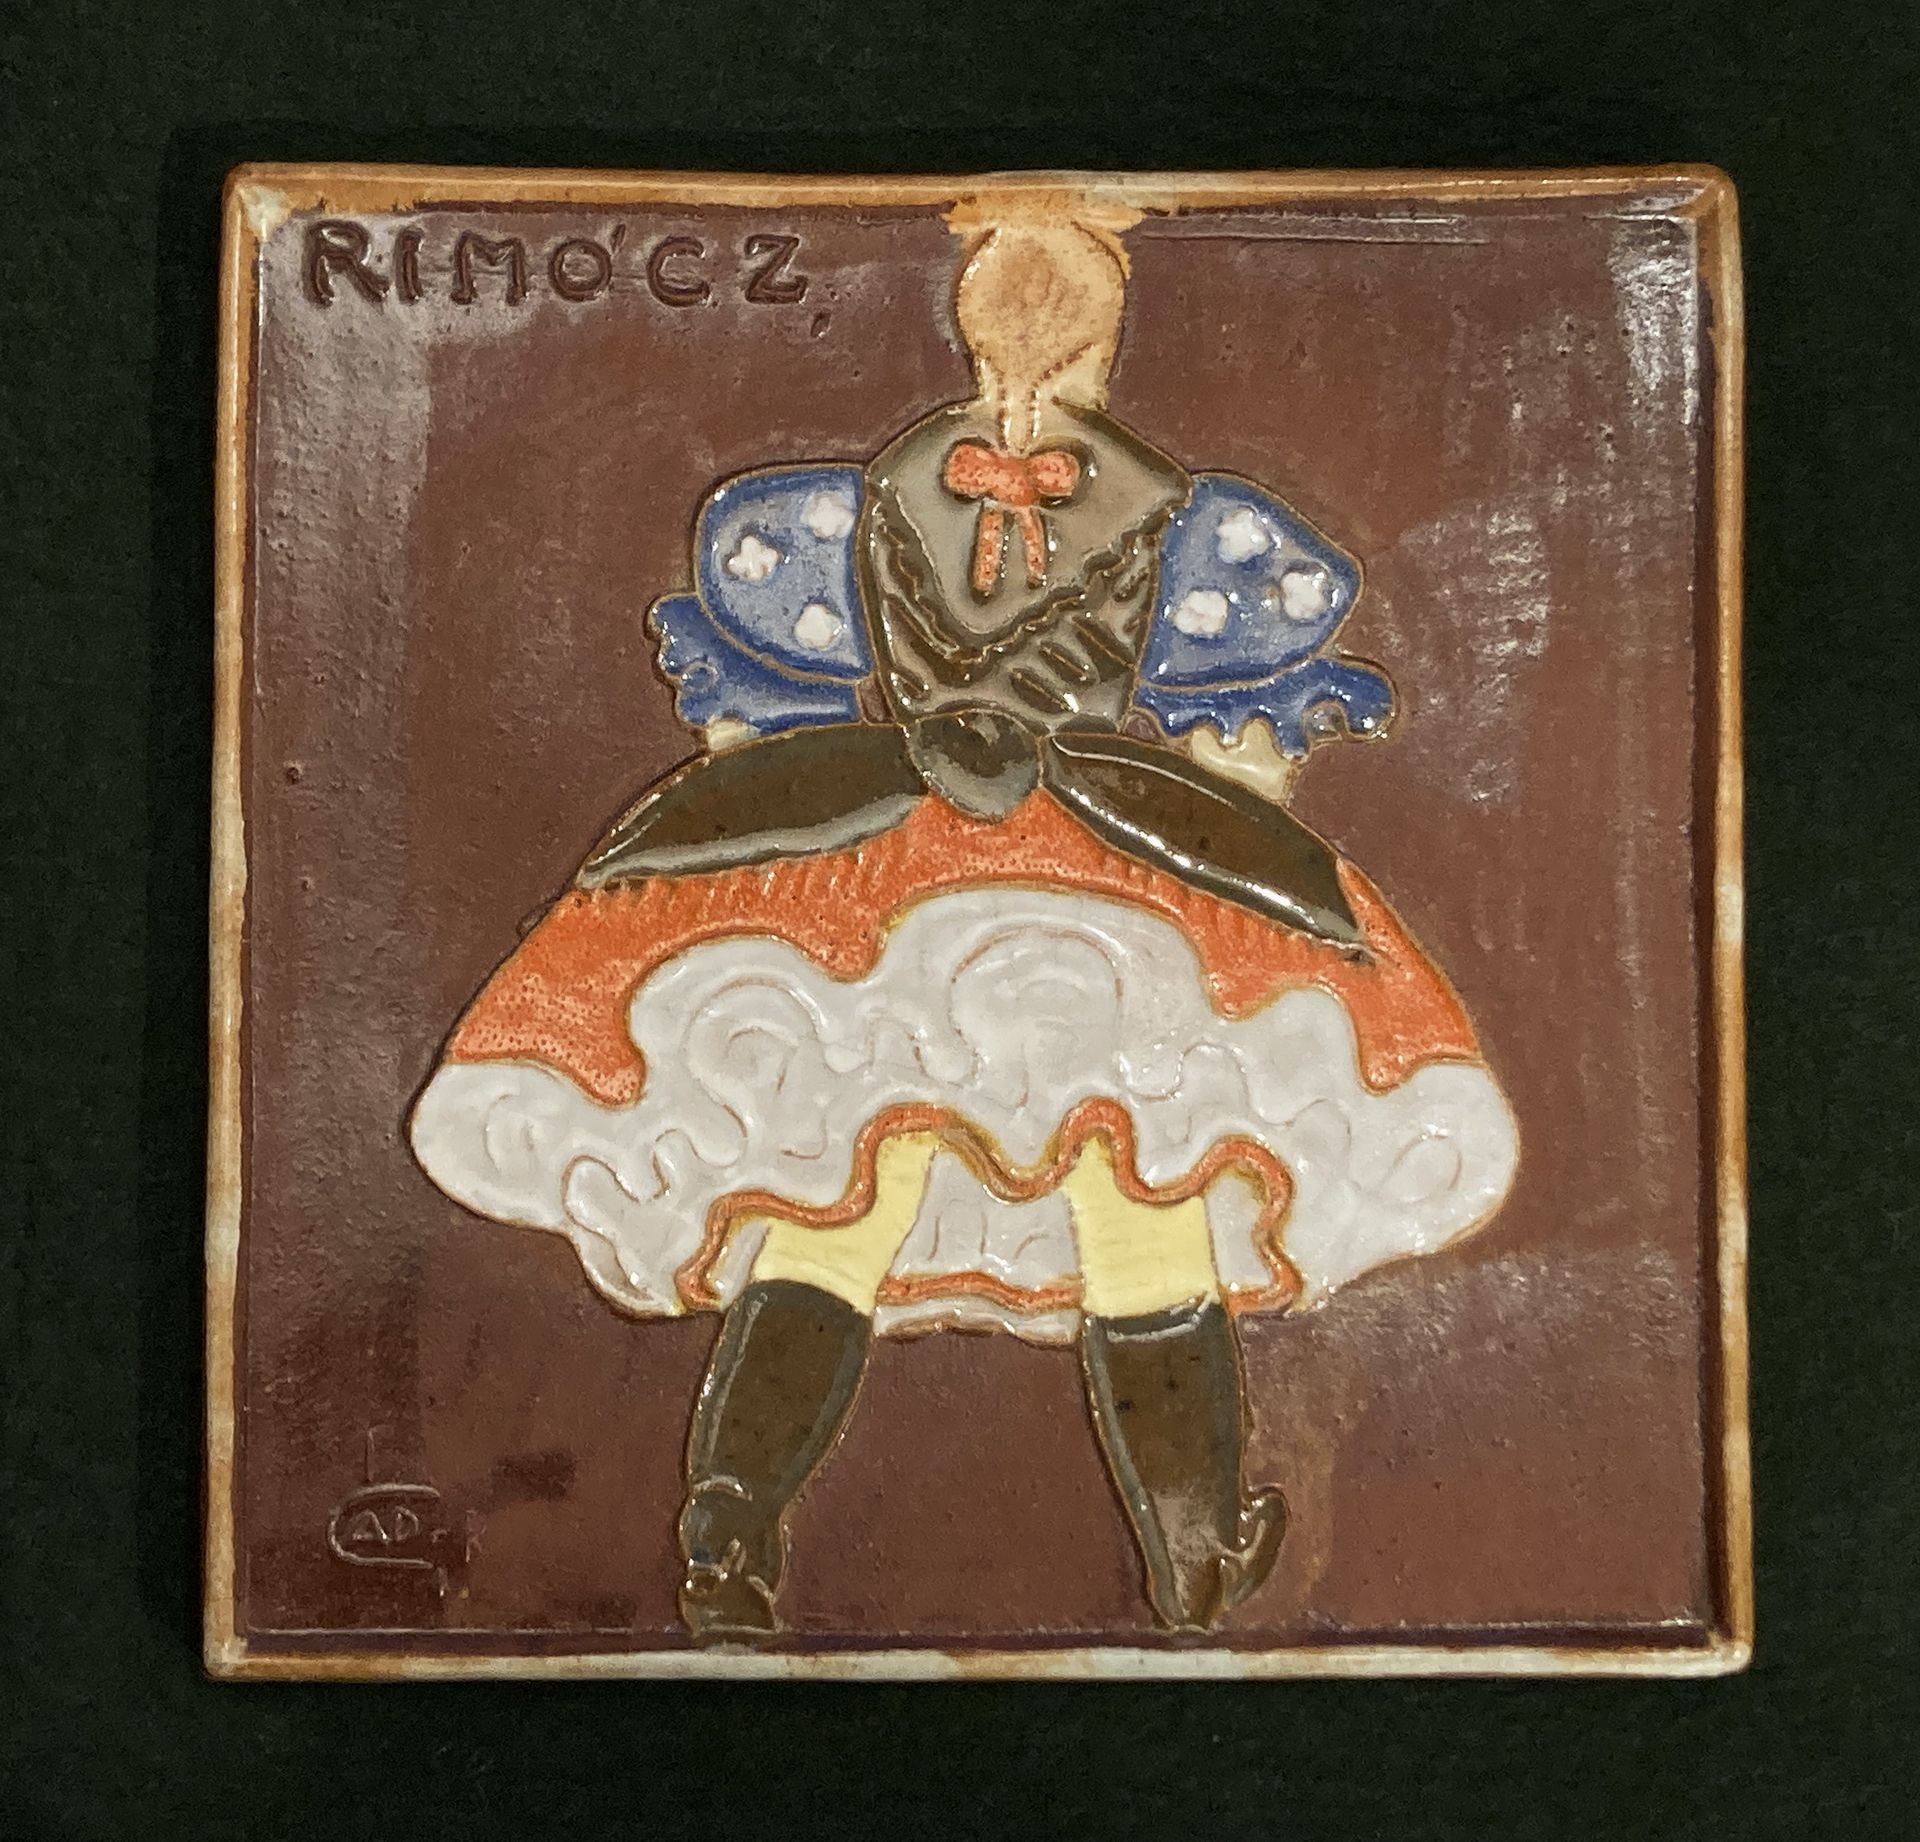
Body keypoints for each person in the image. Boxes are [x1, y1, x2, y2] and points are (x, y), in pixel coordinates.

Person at [411, 201, 1519, 1645]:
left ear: (972, 335)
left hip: (886, 860)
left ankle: (730, 1529)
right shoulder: (1188, 522)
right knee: (1138, 1178)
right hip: (1105, 869)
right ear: (1103, 351)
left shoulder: (845, 504)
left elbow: (754, 733)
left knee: (833, 1177)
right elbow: (1240, 758)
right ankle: (1193, 1546)